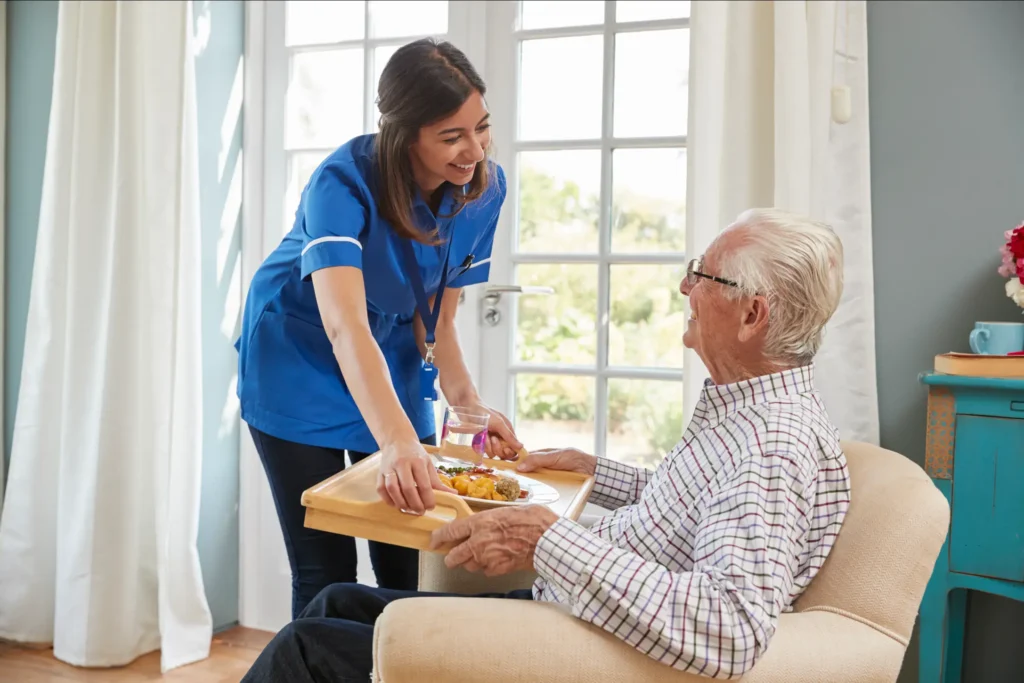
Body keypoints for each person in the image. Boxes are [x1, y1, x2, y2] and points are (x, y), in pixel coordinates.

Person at [240, 208, 853, 682]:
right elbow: (699, 509)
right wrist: (596, 470)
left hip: (579, 645)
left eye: (704, 274)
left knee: (307, 648)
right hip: (568, 611)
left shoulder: (772, 447)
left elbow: (730, 627)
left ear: (753, 315)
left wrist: (544, 537)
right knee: (333, 602)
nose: (685, 285)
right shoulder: (751, 414)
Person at [234, 38, 523, 619]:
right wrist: (395, 440)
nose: (474, 150)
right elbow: (343, 327)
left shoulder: (483, 189)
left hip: (388, 348)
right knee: (324, 568)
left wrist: (469, 406)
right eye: (452, 136)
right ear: (405, 134)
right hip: (300, 350)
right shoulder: (341, 183)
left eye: (482, 128)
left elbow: (436, 315)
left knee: (407, 551)